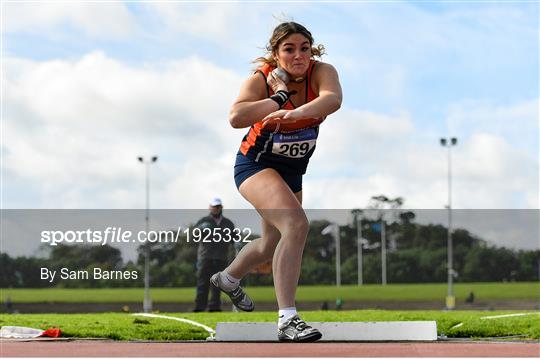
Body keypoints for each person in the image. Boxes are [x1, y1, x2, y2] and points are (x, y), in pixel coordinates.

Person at [210, 21, 342, 342]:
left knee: (270, 244)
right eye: (289, 49)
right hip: (255, 165)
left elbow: (332, 100)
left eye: (304, 48)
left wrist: (295, 115)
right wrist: (279, 99)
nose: (299, 55)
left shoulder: (321, 72)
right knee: (297, 225)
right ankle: (287, 320)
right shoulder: (261, 81)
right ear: (275, 53)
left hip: (292, 169)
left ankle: (229, 278)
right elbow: (236, 117)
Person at [193, 198, 236, 312]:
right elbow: (194, 235)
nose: (216, 208)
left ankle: (215, 307)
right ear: (210, 207)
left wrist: (238, 245)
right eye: (214, 206)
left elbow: (234, 238)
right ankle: (200, 307)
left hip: (221, 257)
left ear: (221, 207)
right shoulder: (203, 221)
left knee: (217, 284)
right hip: (205, 257)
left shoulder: (228, 223)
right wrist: (199, 230)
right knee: (202, 282)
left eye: (218, 206)